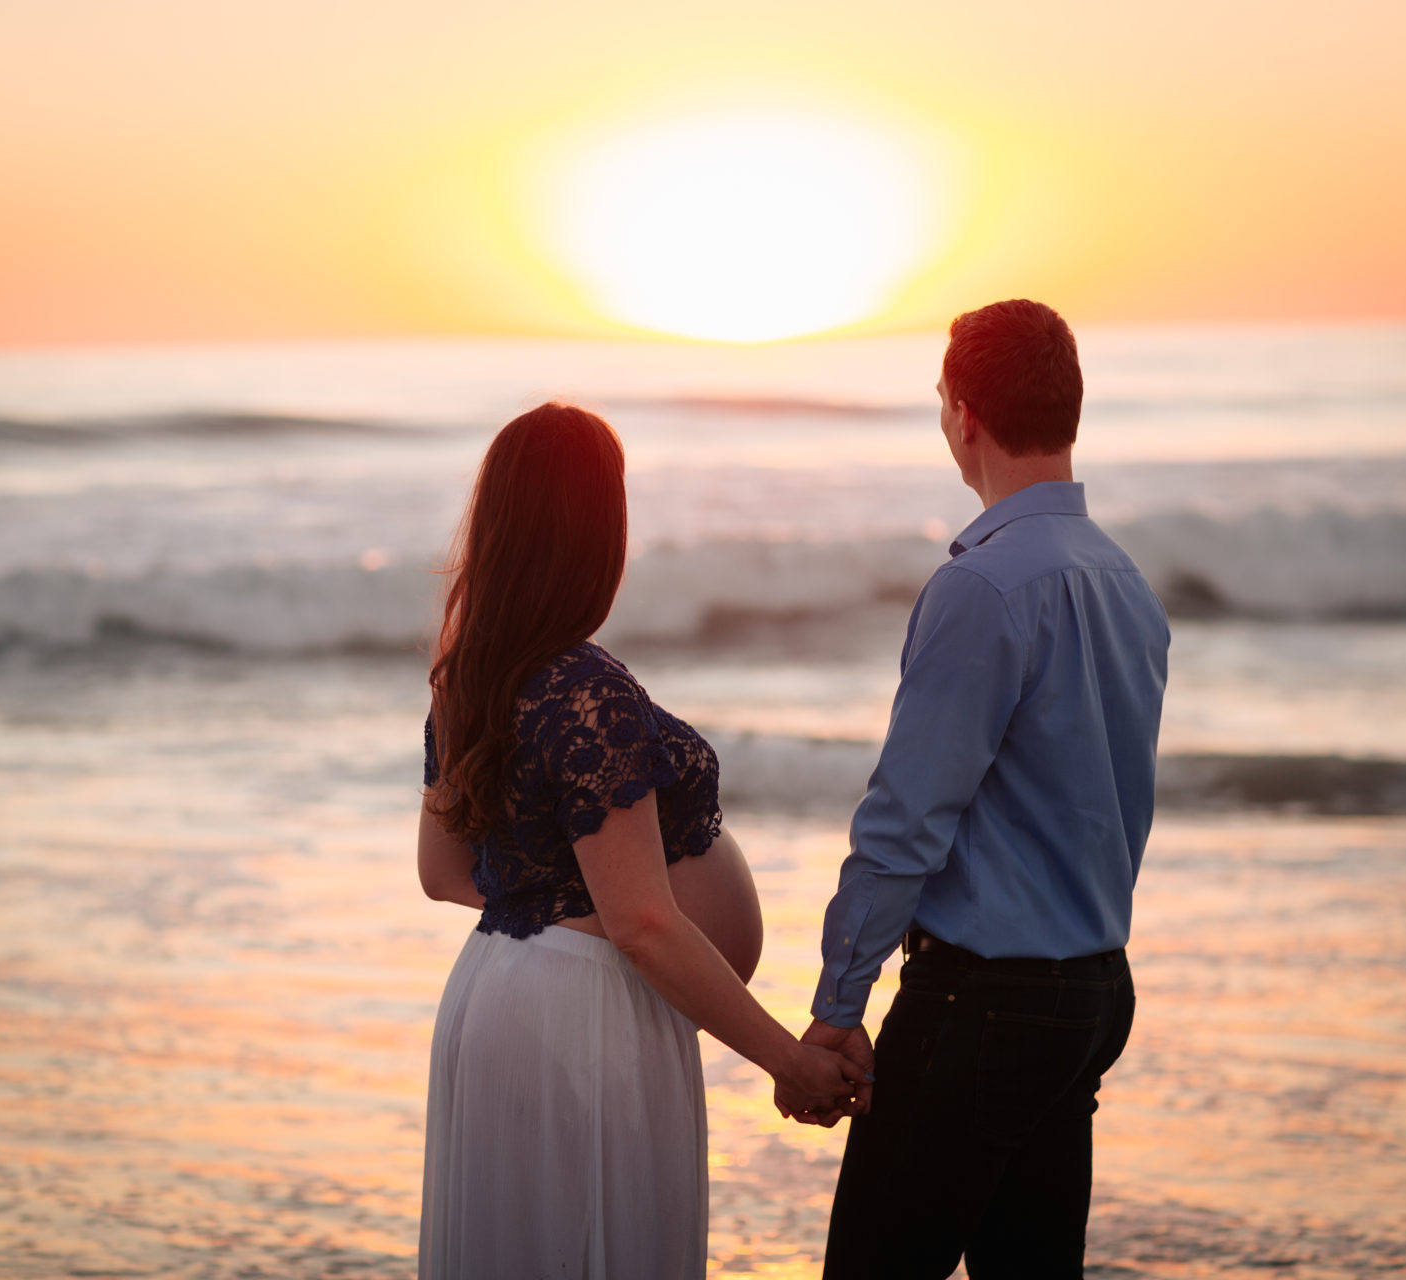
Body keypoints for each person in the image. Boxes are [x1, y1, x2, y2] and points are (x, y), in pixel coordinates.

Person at [415, 402, 868, 1279]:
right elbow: (643, 925)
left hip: (496, 999)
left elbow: (442, 874)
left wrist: (555, 900)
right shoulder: (589, 691)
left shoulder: (467, 675)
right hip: (585, 1019)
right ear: (597, 531)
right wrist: (786, 1059)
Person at [788, 300, 1170, 1279]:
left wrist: (838, 1005)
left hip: (984, 1002)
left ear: (963, 414)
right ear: (1067, 406)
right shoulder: (1124, 581)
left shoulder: (983, 586)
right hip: (1091, 989)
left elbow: (906, 819)